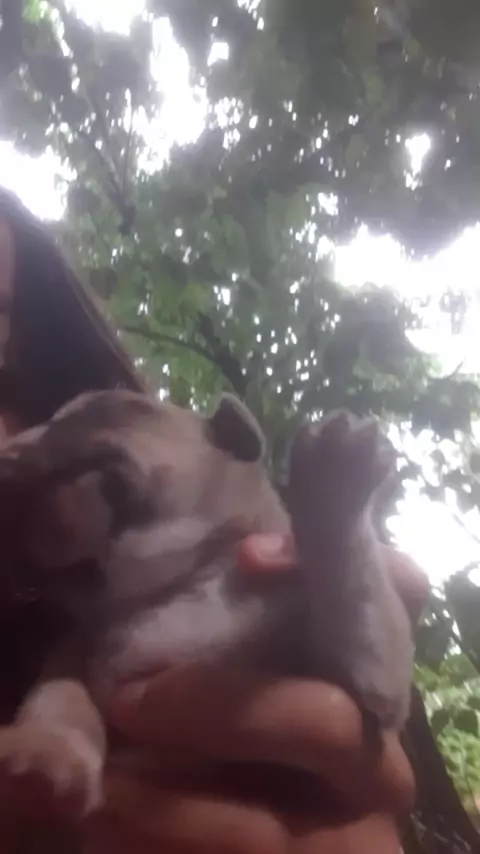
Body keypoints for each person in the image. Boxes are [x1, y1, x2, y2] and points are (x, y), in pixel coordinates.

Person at [0, 187, 429, 852]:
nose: (20, 448)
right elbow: (63, 709)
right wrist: (54, 753)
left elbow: (373, 684)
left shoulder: (270, 572)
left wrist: (340, 542)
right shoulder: (83, 651)